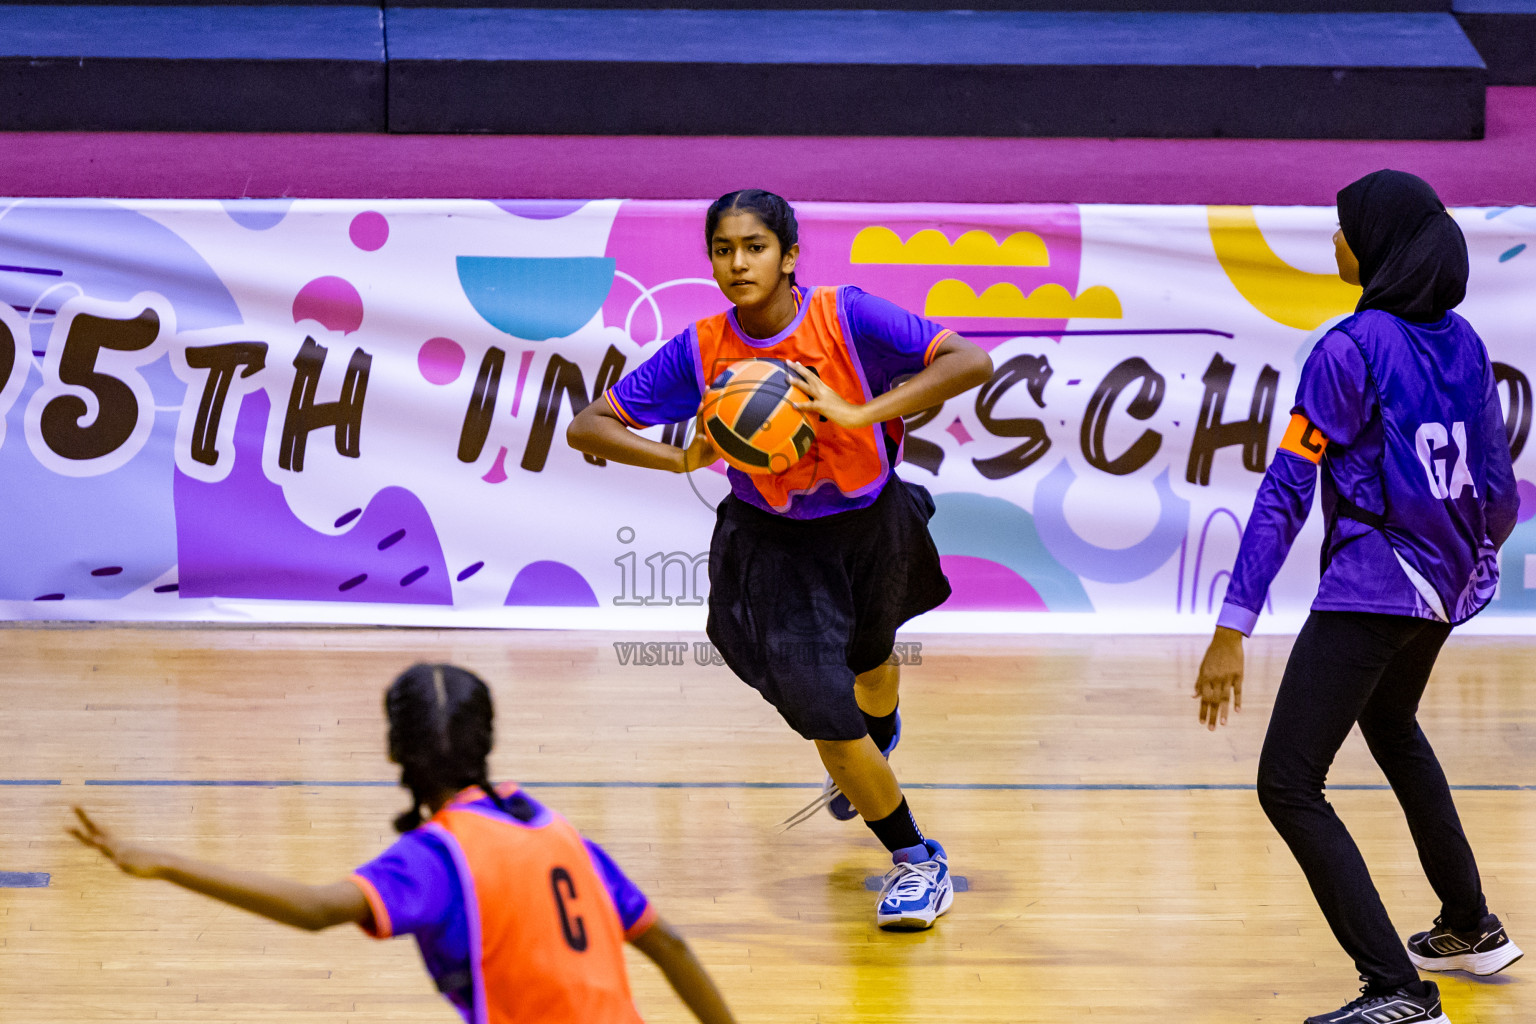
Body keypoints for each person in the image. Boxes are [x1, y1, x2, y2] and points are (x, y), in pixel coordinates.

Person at [567, 189, 993, 930]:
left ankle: (877, 737)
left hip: (871, 527)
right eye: (724, 249)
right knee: (832, 724)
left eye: (755, 247)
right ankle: (917, 860)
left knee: (871, 659)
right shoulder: (702, 348)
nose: (738, 263)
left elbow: (970, 361)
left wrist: (859, 412)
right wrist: (680, 458)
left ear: (790, 255)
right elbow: (587, 426)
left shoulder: (847, 316)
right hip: (774, 551)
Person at [1195, 170, 1523, 1024]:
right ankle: (1470, 925)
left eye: (1343, 231)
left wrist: (1233, 625)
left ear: (1379, 246)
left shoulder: (1349, 348)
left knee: (1287, 785)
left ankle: (1398, 990)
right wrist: (1458, 564)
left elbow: (1285, 490)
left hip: (1373, 590)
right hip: (1443, 589)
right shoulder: (1466, 344)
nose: (1334, 244)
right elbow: (1501, 497)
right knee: (1390, 725)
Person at [71, 663, 738, 1024]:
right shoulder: (553, 827)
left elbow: (315, 908)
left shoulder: (439, 858)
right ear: (485, 743)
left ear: (394, 749)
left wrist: (164, 862)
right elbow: (669, 943)